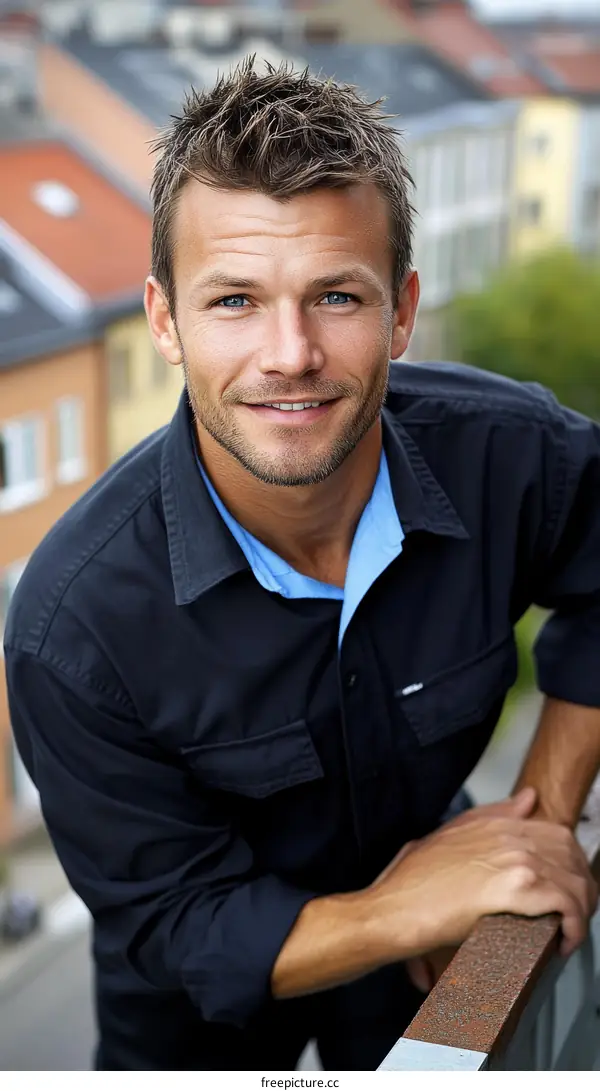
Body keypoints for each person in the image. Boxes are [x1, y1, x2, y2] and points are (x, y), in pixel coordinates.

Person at [4, 61, 600, 1072]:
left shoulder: (513, 452)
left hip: (434, 943)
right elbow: (176, 923)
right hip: (195, 1028)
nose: (290, 352)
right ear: (164, 320)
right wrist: (397, 906)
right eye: (234, 299)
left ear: (403, 311)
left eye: (335, 294)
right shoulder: (75, 622)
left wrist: (530, 819)